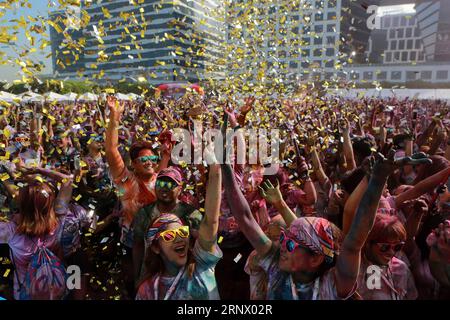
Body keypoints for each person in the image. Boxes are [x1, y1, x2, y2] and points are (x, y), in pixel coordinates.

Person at [135, 160, 222, 300]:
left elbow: (211, 221)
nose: (179, 238)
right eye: (169, 236)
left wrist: (215, 166)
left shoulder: (202, 267)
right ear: (156, 247)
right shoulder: (147, 290)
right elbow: (137, 245)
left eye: (182, 233)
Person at [132, 166, 200, 284]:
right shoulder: (144, 213)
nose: (164, 188)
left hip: (182, 278)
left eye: (170, 185)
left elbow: (201, 248)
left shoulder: (192, 215)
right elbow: (138, 246)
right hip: (151, 277)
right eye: (160, 183)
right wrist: (137, 276)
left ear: (180, 189)